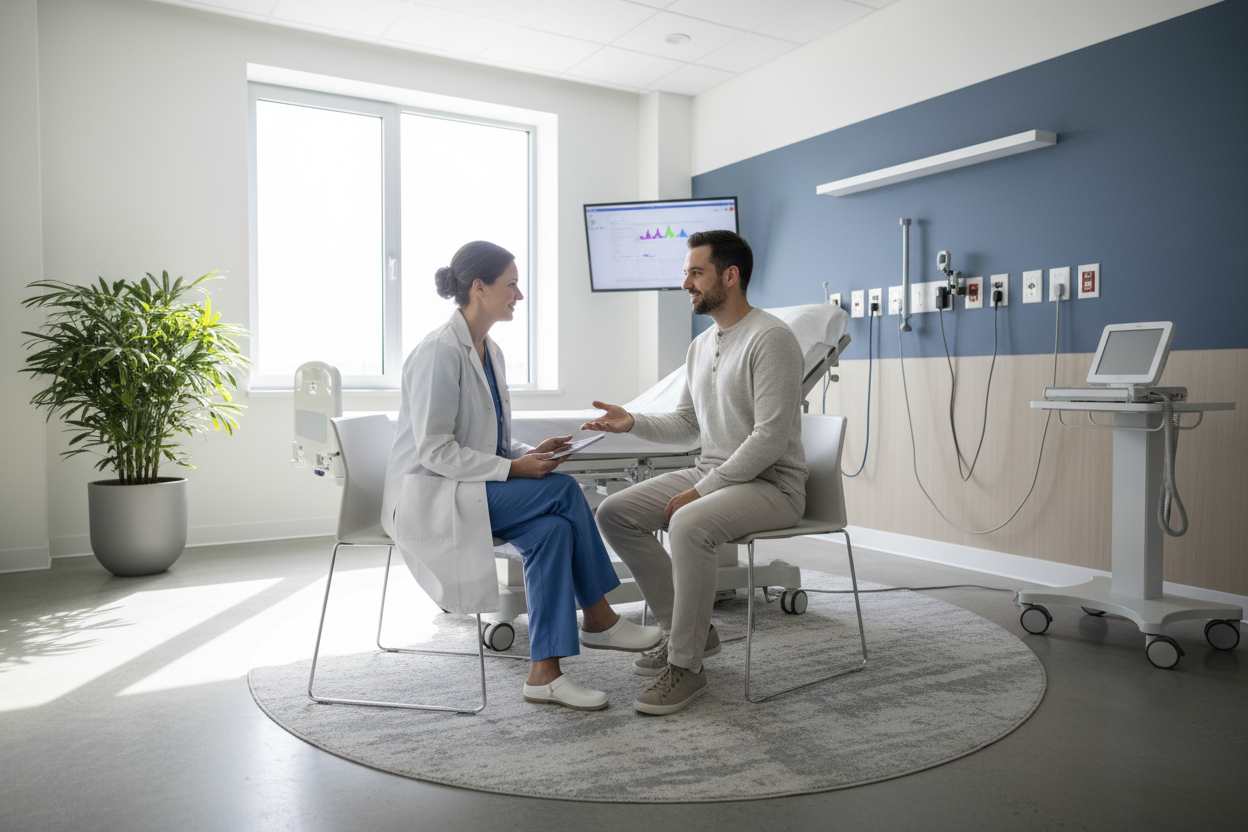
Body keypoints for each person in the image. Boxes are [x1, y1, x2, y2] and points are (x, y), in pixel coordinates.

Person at [381, 240, 661, 711]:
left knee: (551, 531)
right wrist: (515, 469)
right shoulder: (438, 353)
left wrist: (530, 453)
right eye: (511, 284)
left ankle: (544, 675)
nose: (520, 295)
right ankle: (598, 616)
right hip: (431, 496)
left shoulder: (489, 350)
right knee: (564, 490)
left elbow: (487, 440)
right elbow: (435, 451)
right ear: (478, 287)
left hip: (470, 489)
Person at [584, 230, 807, 715]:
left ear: (731, 276)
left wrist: (701, 491)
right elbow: (688, 424)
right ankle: (694, 634)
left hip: (772, 484)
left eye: (695, 272)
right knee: (616, 512)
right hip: (717, 471)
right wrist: (633, 421)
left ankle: (685, 667)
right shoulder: (701, 345)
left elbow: (768, 440)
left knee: (688, 521)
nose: (685, 282)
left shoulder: (772, 339)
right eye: (686, 272)